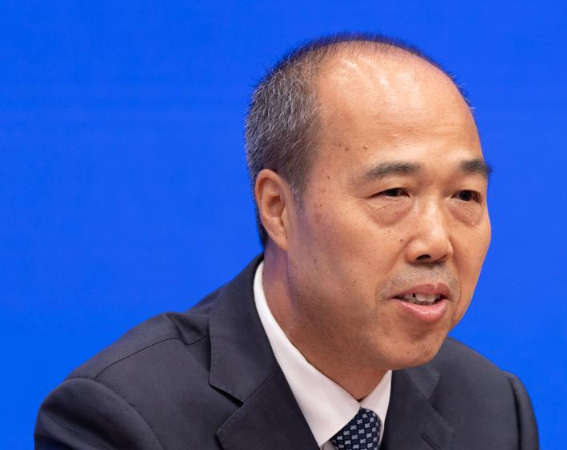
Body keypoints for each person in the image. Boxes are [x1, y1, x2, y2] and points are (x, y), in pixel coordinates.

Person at [35, 34, 539, 450]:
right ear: (277, 208)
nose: (436, 241)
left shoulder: (493, 408)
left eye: (465, 195)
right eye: (393, 192)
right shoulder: (124, 420)